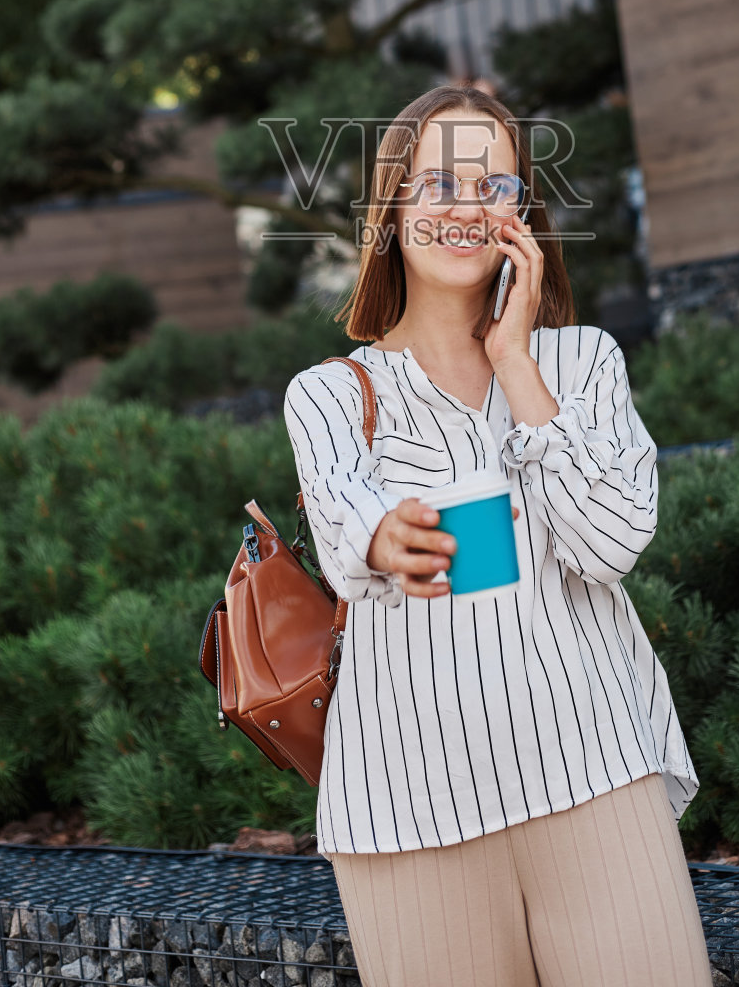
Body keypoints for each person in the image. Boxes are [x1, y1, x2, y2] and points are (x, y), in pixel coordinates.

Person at [282, 84, 712, 987]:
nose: (465, 207)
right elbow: (341, 520)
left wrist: (518, 361)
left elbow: (612, 544)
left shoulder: (583, 361)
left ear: (522, 213)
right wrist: (383, 538)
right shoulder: (328, 395)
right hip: (406, 805)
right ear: (393, 207)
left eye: (494, 186)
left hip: (593, 770)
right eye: (436, 184)